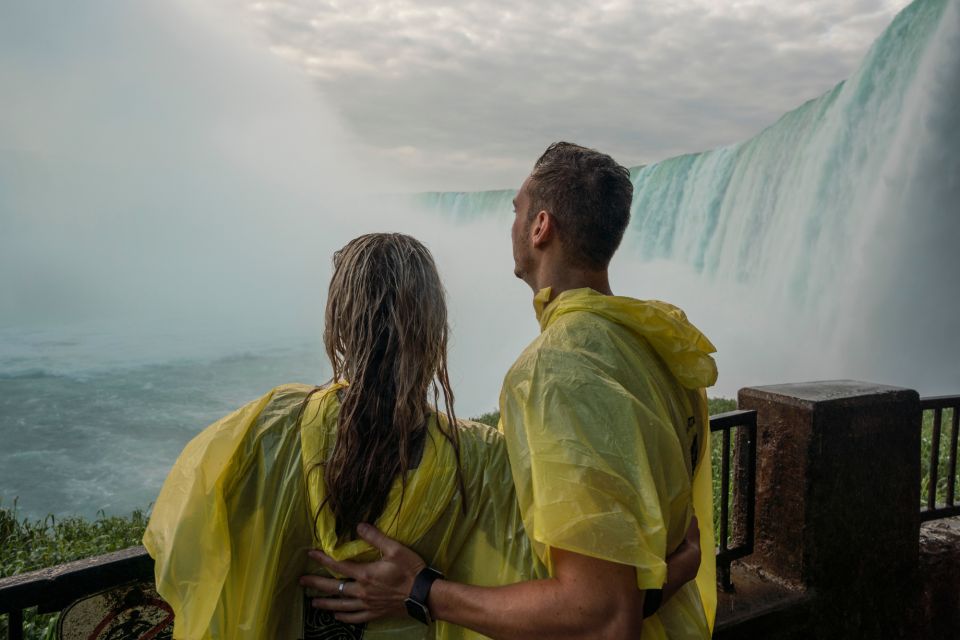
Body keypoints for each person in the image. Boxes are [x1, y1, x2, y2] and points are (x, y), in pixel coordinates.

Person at [144, 231, 702, 639]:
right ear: (436, 330)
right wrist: (676, 567)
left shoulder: (263, 433)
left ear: (338, 325)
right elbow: (576, 603)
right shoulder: (481, 460)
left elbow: (191, 550)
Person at [303, 143, 718, 639]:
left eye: (517, 210)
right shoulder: (659, 350)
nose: (513, 222)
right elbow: (640, 560)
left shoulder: (555, 373)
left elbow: (603, 615)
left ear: (541, 227)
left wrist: (418, 591)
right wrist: (677, 569)